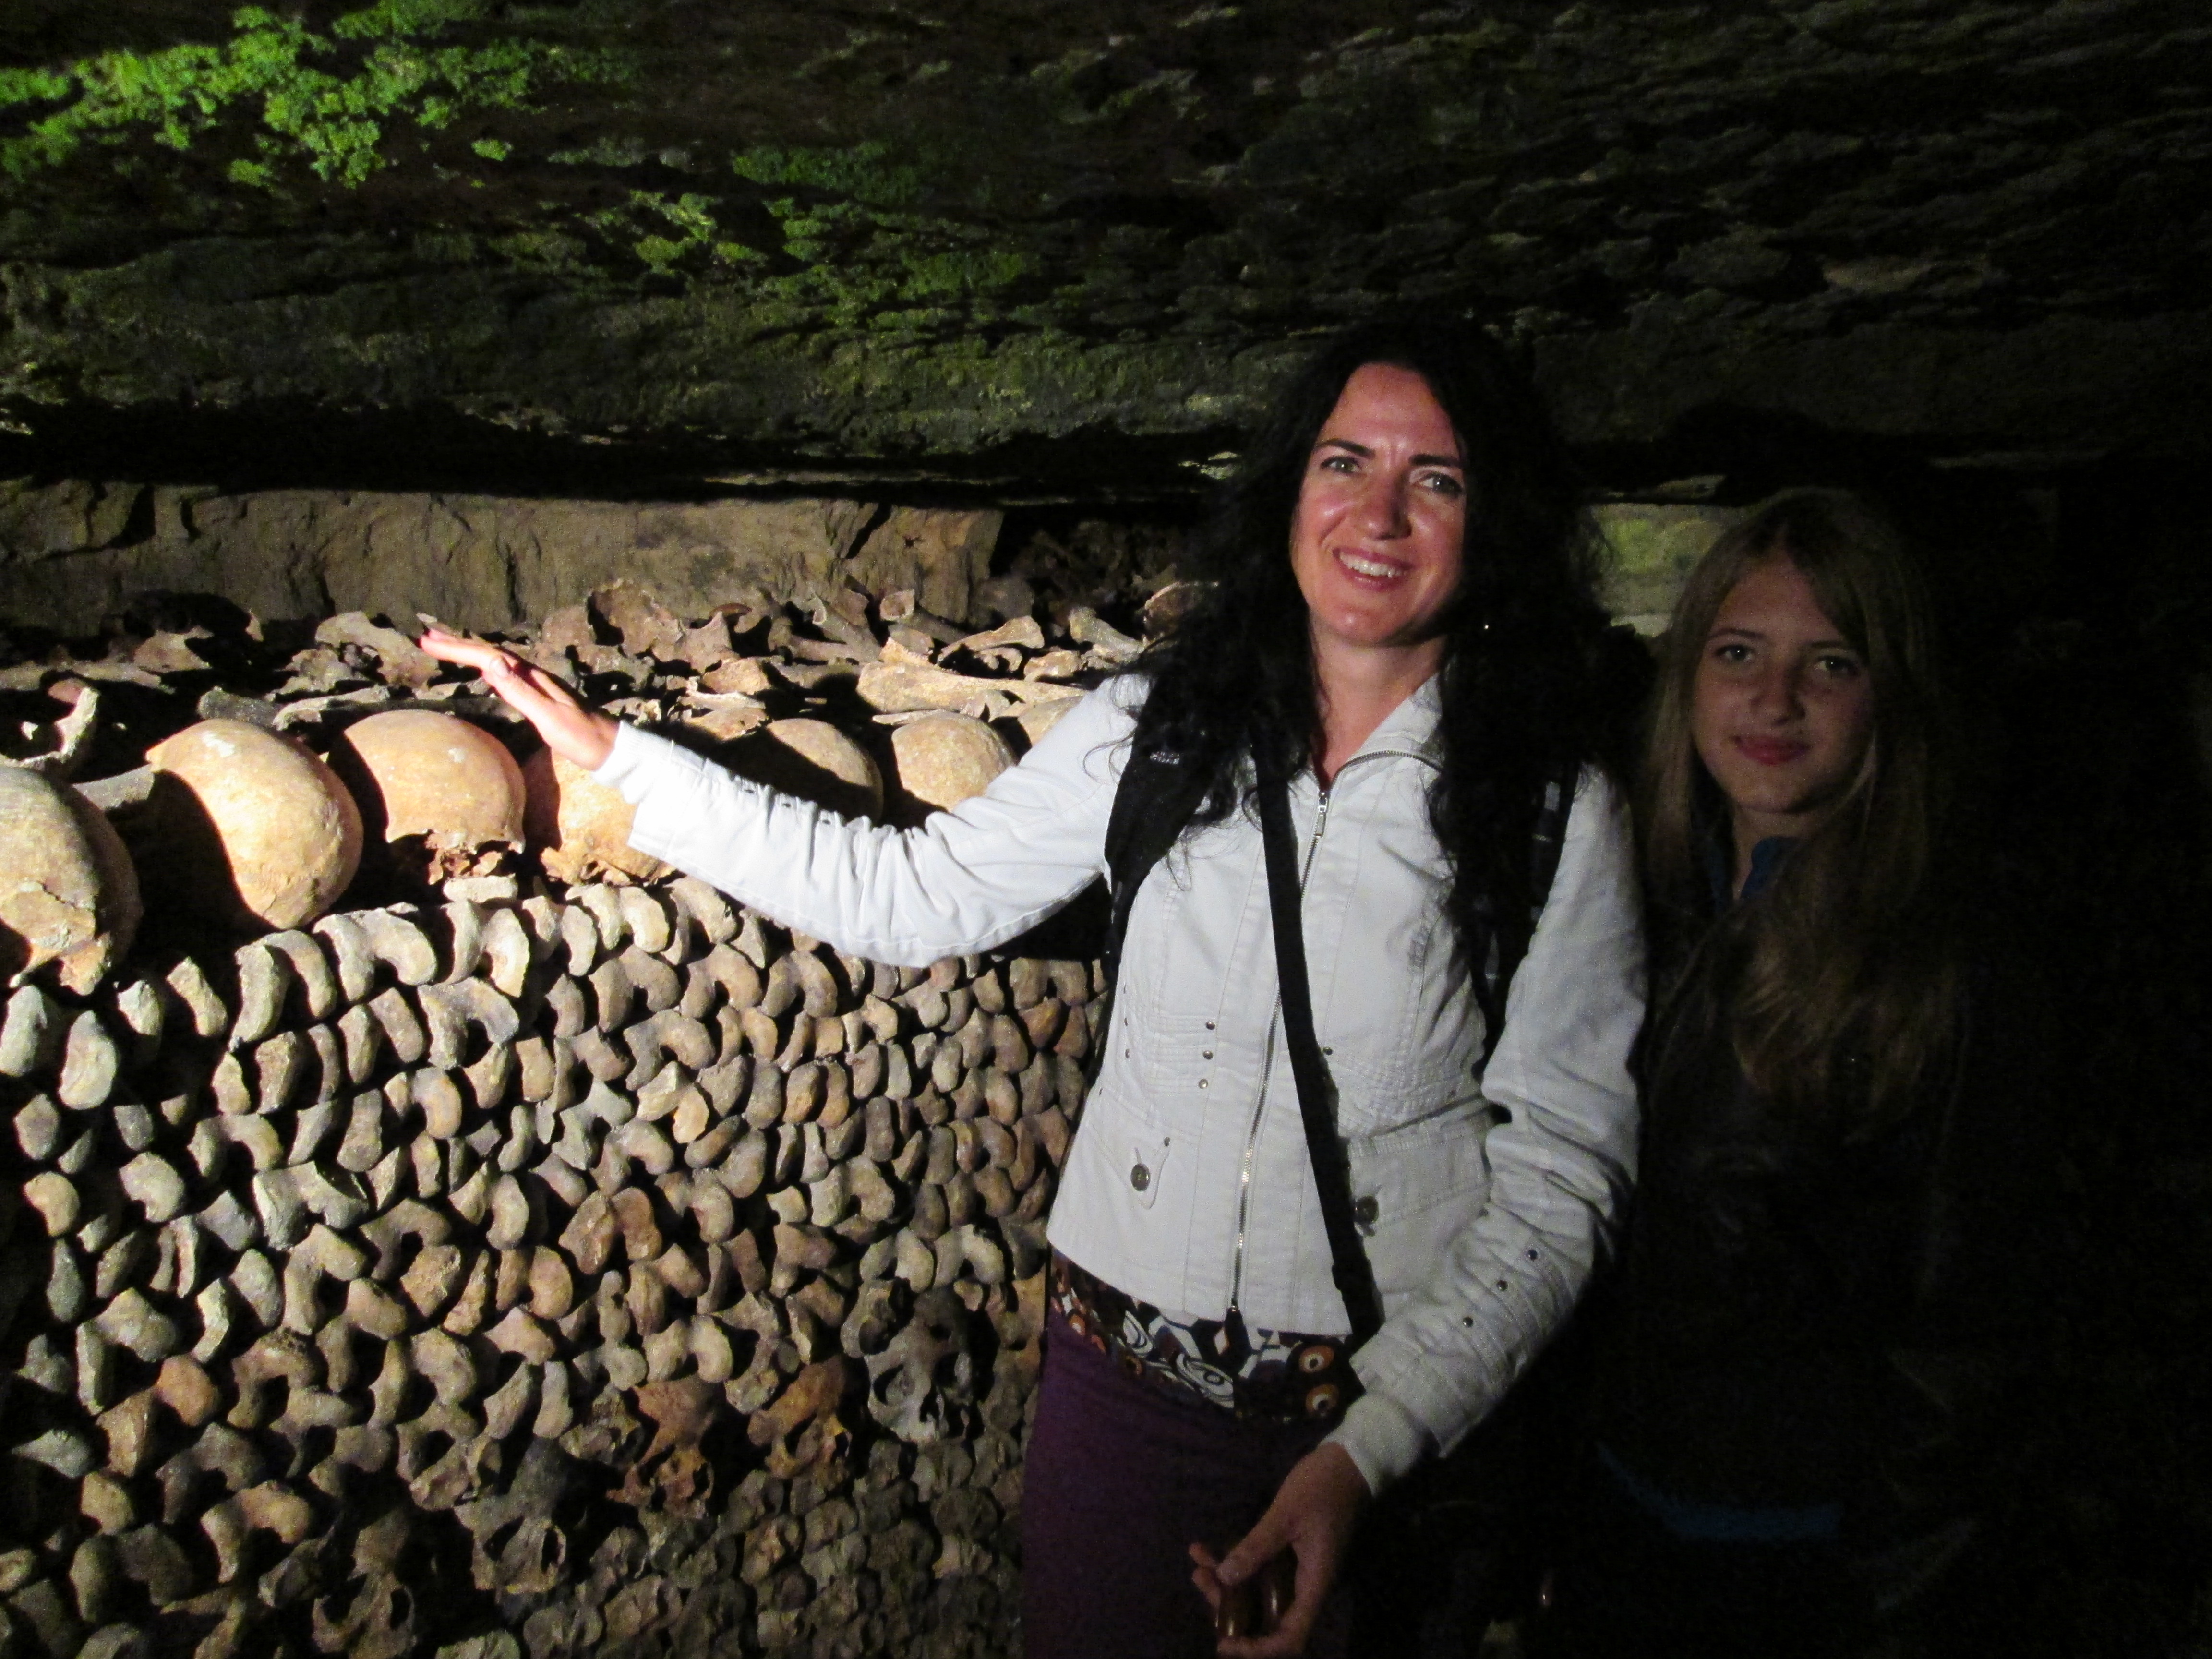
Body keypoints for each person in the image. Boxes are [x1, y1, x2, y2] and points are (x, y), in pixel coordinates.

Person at [422, 315, 1645, 1659]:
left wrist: (1374, 1449)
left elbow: (1561, 1177)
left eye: (1440, 479)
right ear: (1290, 488)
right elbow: (920, 893)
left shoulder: (1549, 812)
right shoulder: (1156, 732)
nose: (1380, 513)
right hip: (1125, 1407)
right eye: (1345, 462)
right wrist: (626, 765)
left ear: (1495, 522)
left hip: (1370, 1418)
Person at [1543, 490, 2056, 1659]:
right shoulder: (1642, 913)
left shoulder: (1950, 979)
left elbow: (1964, 1354)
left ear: (1891, 700)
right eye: (1738, 654)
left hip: (1794, 1581)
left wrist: (1887, 1611)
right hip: (1620, 1532)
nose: (1773, 701)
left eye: (1829, 663)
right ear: (1687, 680)